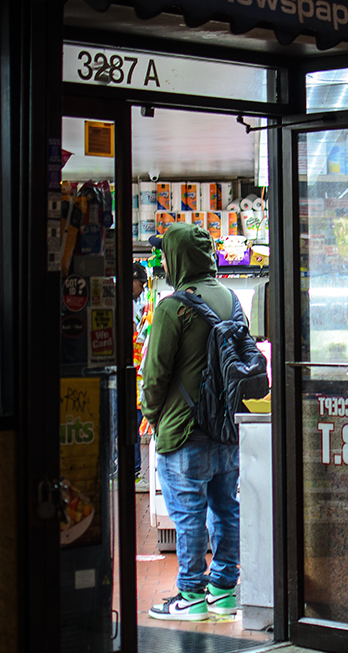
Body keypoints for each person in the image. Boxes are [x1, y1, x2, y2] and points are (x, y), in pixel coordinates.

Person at [140, 223, 239, 621]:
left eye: (164, 254)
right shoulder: (232, 299)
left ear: (177, 257)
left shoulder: (172, 306)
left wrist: (151, 415)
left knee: (188, 515)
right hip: (226, 429)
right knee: (225, 509)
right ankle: (224, 590)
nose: (162, 261)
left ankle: (192, 595)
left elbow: (155, 376)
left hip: (184, 431)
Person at [131, 262, 148, 488]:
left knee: (133, 423)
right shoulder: (125, 304)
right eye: (141, 284)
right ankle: (131, 471)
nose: (143, 288)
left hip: (135, 377)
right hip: (128, 377)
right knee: (130, 424)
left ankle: (133, 470)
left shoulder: (139, 305)